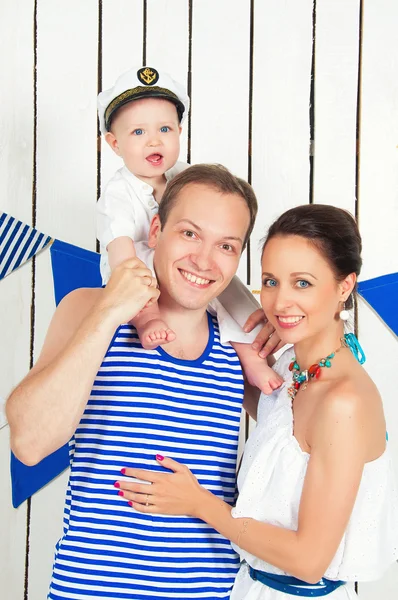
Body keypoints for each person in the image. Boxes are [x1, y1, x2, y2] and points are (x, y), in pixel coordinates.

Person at [7, 164, 279, 600]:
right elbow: (31, 442)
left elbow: (308, 443)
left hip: (209, 591)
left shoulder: (241, 347)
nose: (204, 261)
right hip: (91, 589)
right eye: (189, 234)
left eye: (225, 245)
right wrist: (108, 310)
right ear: (155, 231)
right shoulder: (89, 308)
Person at [119, 204, 398, 599]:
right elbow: (218, 286)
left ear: (344, 287)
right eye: (270, 281)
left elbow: (308, 560)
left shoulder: (342, 402)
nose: (280, 302)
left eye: (302, 283)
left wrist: (198, 503)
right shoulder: (290, 367)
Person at [97, 65, 282, 393]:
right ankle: (146, 321)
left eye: (165, 129)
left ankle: (256, 341)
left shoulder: (186, 177)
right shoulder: (117, 193)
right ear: (114, 143)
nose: (154, 140)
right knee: (140, 260)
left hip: (180, 271)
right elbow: (122, 256)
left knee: (222, 275)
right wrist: (146, 305)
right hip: (136, 270)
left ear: (180, 133)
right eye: (138, 132)